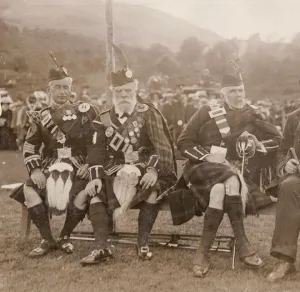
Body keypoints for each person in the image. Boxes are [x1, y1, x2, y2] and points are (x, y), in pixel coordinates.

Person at [161, 61, 282, 277]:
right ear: (223, 94)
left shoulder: (252, 114)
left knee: (221, 188)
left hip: (230, 172)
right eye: (233, 91)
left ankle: (202, 252)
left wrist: (257, 144)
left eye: (241, 90)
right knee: (232, 178)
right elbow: (183, 141)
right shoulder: (207, 111)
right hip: (201, 168)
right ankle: (243, 244)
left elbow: (278, 140)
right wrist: (206, 155)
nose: (238, 95)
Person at [79, 58, 177, 265]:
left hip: (146, 168)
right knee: (96, 193)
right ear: (113, 92)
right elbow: (96, 150)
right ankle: (101, 248)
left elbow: (162, 147)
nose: (124, 95)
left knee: (151, 191)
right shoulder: (103, 119)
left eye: (128, 91)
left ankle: (143, 243)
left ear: (135, 90)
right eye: (119, 91)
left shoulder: (148, 113)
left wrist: (152, 170)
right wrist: (95, 177)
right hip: (114, 170)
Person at [10, 65, 105, 258]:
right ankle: (47, 239)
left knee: (82, 193)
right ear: (49, 90)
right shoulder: (41, 116)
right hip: (49, 165)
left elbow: (95, 143)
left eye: (66, 87)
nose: (62, 91)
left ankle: (65, 236)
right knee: (29, 189)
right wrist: (36, 171)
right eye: (58, 87)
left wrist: (88, 164)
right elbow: (30, 146)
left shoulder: (84, 112)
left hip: (78, 165)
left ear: (71, 89)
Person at [267, 104, 300, 282]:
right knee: (288, 187)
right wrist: (285, 164)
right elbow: (282, 149)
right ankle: (285, 259)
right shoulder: (295, 117)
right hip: (298, 176)